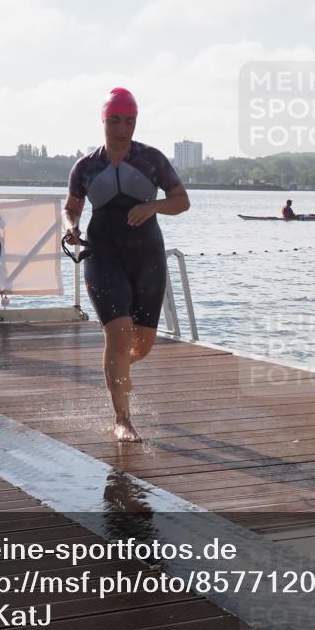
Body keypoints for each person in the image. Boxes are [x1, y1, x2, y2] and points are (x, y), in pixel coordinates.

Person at [62, 87, 190, 442]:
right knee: (117, 335)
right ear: (104, 120)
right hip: (102, 254)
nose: (122, 128)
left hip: (146, 254)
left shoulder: (151, 159)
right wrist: (71, 228)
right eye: (115, 120)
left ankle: (113, 365)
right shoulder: (86, 166)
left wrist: (153, 206)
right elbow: (71, 208)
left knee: (141, 346)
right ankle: (122, 420)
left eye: (130, 121)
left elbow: (181, 201)